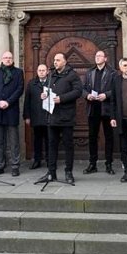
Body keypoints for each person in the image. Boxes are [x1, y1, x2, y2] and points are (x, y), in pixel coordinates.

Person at [38, 53, 83, 185]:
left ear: (65, 62)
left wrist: (61, 99)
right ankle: (51, 172)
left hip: (66, 116)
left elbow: (78, 91)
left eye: (58, 60)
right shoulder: (51, 75)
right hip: (52, 116)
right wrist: (44, 95)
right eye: (54, 60)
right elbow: (47, 90)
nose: (55, 62)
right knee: (51, 145)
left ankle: (68, 171)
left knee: (68, 145)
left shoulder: (72, 75)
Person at [0, 51, 24, 177]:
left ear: (13, 59)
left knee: (13, 140)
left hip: (11, 109)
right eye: (5, 57)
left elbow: (20, 89)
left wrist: (8, 102)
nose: (8, 59)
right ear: (2, 59)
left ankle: (15, 165)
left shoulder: (18, 72)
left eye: (10, 58)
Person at [83, 50, 116, 175]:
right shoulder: (90, 72)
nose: (97, 58)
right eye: (96, 56)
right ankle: (93, 163)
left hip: (106, 108)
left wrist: (106, 95)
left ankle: (109, 164)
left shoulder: (112, 73)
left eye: (100, 56)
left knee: (109, 137)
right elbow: (83, 88)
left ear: (105, 58)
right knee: (92, 137)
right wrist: (87, 96)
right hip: (93, 108)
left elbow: (116, 90)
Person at [23, 63, 50, 170]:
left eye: (43, 70)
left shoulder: (51, 82)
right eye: (39, 70)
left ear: (47, 71)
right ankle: (37, 160)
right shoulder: (31, 83)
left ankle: (49, 160)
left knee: (49, 139)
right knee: (37, 140)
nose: (41, 72)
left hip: (49, 116)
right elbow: (27, 101)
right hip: (36, 116)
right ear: (37, 72)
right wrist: (27, 116)